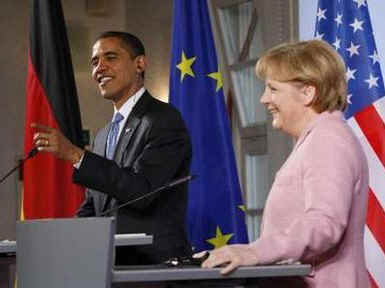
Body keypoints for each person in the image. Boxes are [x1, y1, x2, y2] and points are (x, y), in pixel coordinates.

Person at [199, 40, 369, 288]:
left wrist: (254, 253)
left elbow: (324, 224)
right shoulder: (319, 137)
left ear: (308, 93)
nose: (263, 99)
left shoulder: (328, 140)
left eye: (273, 89)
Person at [32, 31, 192, 265]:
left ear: (140, 64)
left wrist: (75, 154)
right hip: (109, 265)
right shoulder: (103, 135)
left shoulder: (163, 119)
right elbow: (95, 207)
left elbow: (142, 191)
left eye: (111, 57)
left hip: (153, 266)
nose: (100, 68)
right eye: (95, 61)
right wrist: (55, 238)